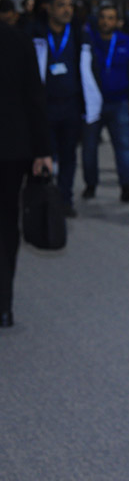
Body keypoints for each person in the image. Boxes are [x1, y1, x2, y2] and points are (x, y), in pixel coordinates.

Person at [31, 0, 101, 217]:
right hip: (44, 107)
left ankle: (64, 199)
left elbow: (90, 70)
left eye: (70, 5)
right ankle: (41, 200)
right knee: (44, 155)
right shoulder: (35, 34)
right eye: (61, 5)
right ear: (48, 8)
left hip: (71, 105)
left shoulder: (80, 34)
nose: (67, 9)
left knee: (69, 154)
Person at [0, 21, 52, 328]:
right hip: (13, 147)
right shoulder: (19, 39)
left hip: (12, 147)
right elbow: (35, 96)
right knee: (6, 221)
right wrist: (42, 150)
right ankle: (4, 304)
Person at [82, 5, 129, 202]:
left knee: (123, 146)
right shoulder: (88, 41)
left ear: (117, 21)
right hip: (93, 104)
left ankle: (127, 185)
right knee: (90, 147)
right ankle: (90, 184)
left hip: (119, 102)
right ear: (97, 19)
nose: (106, 21)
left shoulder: (124, 41)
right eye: (103, 17)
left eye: (110, 18)